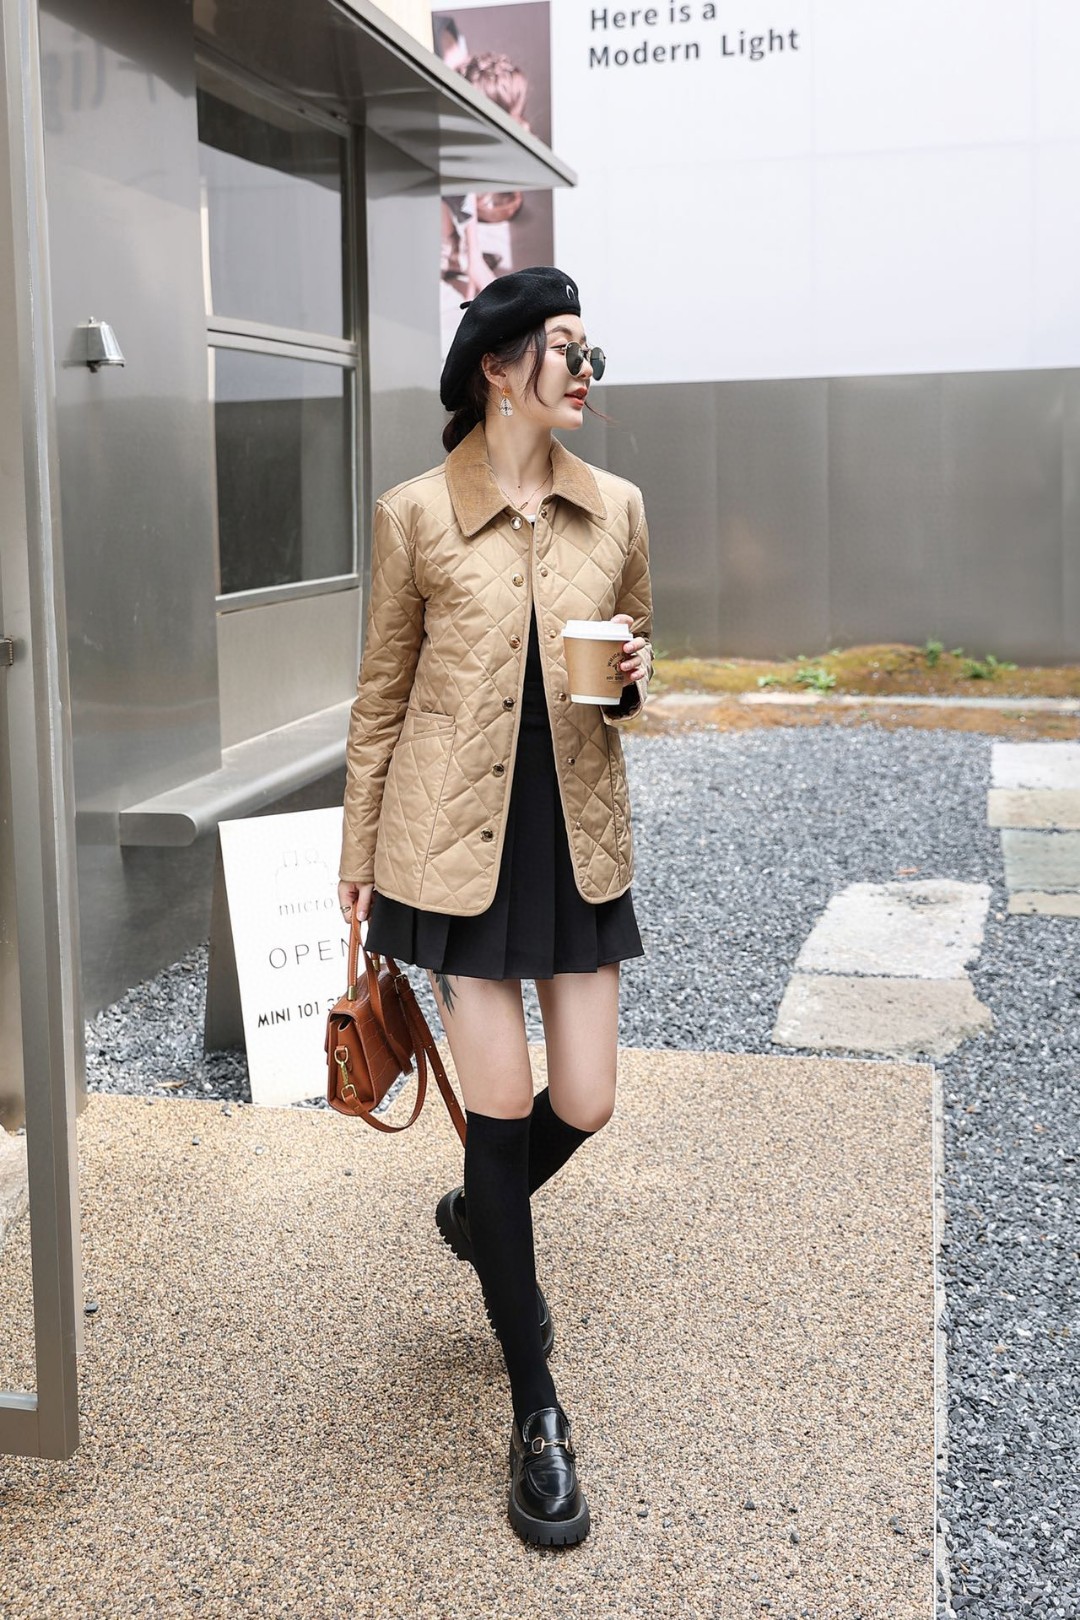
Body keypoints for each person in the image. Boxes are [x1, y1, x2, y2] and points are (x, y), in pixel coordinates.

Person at [337, 267, 653, 1548]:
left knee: (588, 1099)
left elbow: (634, 665)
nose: (585, 371)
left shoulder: (616, 506)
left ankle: (483, 1215)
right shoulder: (415, 514)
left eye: (588, 350)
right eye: (566, 348)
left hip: (573, 837)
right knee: (505, 1108)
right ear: (498, 366)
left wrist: (633, 675)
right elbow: (379, 697)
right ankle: (537, 1413)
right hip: (449, 845)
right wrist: (358, 853)